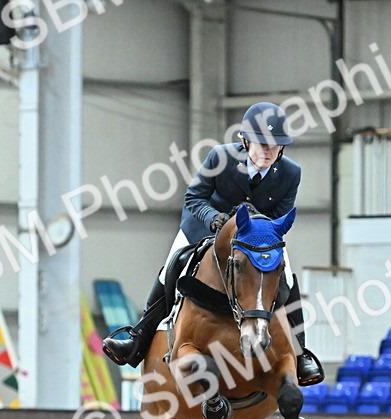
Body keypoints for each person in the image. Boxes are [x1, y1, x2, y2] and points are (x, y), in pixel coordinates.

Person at [102, 102, 324, 386]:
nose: (268, 152)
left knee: (288, 277)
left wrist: (255, 230)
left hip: (255, 239)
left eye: (275, 146)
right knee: (172, 266)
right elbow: (194, 197)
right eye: (262, 145)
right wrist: (215, 218)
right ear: (245, 141)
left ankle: (301, 352)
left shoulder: (291, 172)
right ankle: (138, 337)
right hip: (204, 229)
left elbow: (280, 215)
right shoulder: (221, 157)